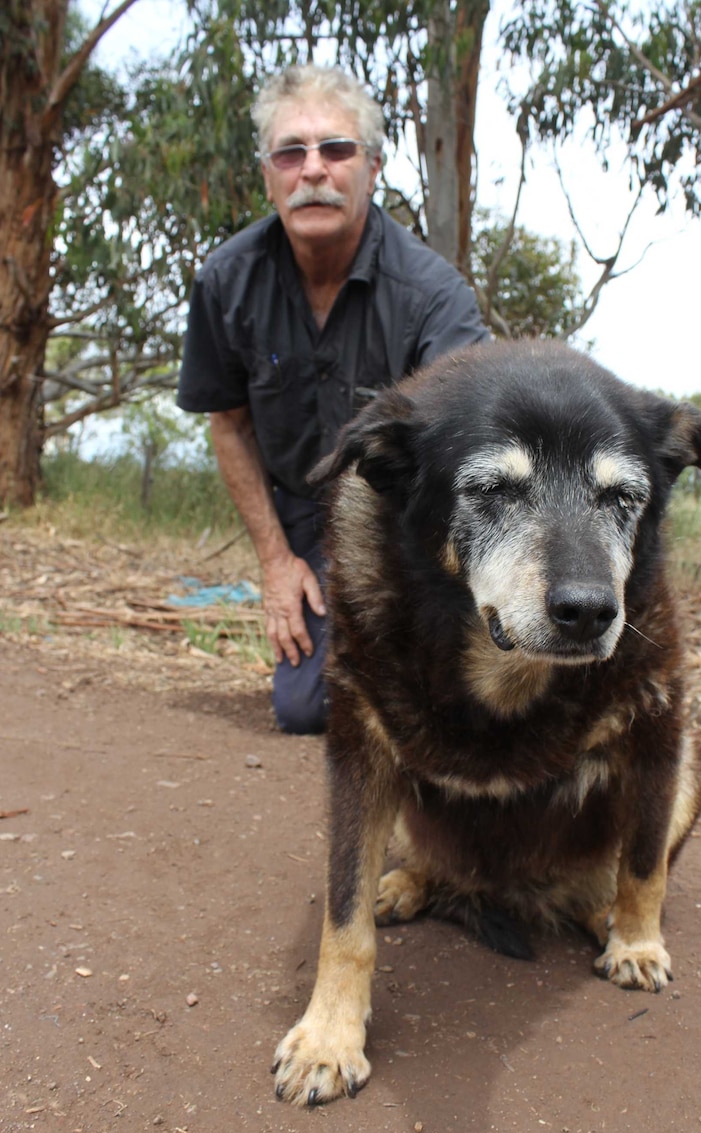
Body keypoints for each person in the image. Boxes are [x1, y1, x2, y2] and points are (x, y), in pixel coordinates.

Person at [177, 64, 488, 735]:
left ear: (372, 169)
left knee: (438, 705)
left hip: (401, 520)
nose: (312, 169)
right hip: (300, 514)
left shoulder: (434, 296)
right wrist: (276, 562)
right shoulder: (226, 282)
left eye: (336, 149)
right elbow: (229, 426)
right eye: (291, 152)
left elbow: (467, 450)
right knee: (305, 708)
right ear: (268, 176)